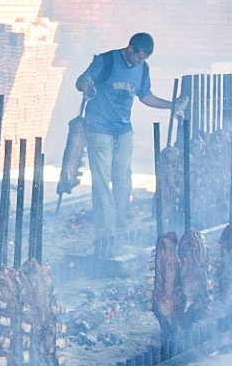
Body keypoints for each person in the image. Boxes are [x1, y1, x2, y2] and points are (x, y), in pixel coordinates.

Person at [75, 32, 183, 258]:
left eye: (143, 60)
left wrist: (171, 106)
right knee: (102, 181)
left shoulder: (143, 70)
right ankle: (106, 231)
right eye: (137, 57)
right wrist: (85, 84)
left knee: (123, 179)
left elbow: (146, 97)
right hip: (99, 129)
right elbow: (81, 82)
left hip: (124, 130)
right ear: (130, 48)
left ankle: (119, 226)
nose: (139, 62)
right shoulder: (106, 61)